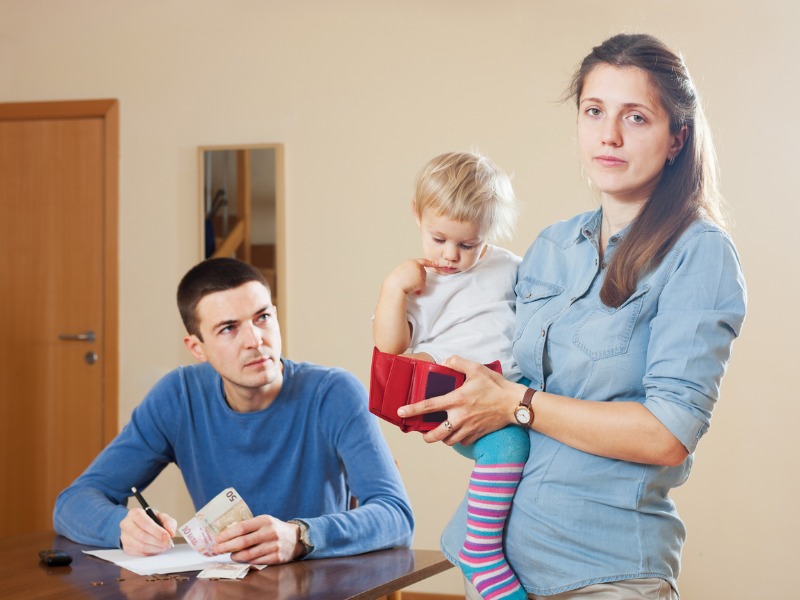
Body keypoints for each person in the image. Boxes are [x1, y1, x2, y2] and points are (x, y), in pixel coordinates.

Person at [396, 34, 747, 599]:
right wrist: (459, 395)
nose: (608, 135)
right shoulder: (551, 246)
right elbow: (506, 369)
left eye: (636, 117)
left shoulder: (698, 253)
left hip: (602, 574)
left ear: (677, 137)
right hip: (495, 570)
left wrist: (516, 403)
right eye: (594, 111)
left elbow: (666, 435)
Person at [54, 257, 414, 564]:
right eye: (228, 328)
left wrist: (300, 536)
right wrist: (121, 527)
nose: (255, 340)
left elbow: (396, 516)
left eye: (262, 317)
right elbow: (72, 503)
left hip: (318, 586)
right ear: (197, 348)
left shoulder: (335, 392)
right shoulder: (178, 397)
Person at [373, 151, 530, 600]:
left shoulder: (509, 268)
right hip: (458, 399)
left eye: (467, 244)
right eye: (438, 238)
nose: (450, 255)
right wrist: (392, 290)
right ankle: (479, 547)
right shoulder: (418, 281)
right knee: (510, 442)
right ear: (417, 215)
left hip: (513, 389)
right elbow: (390, 347)